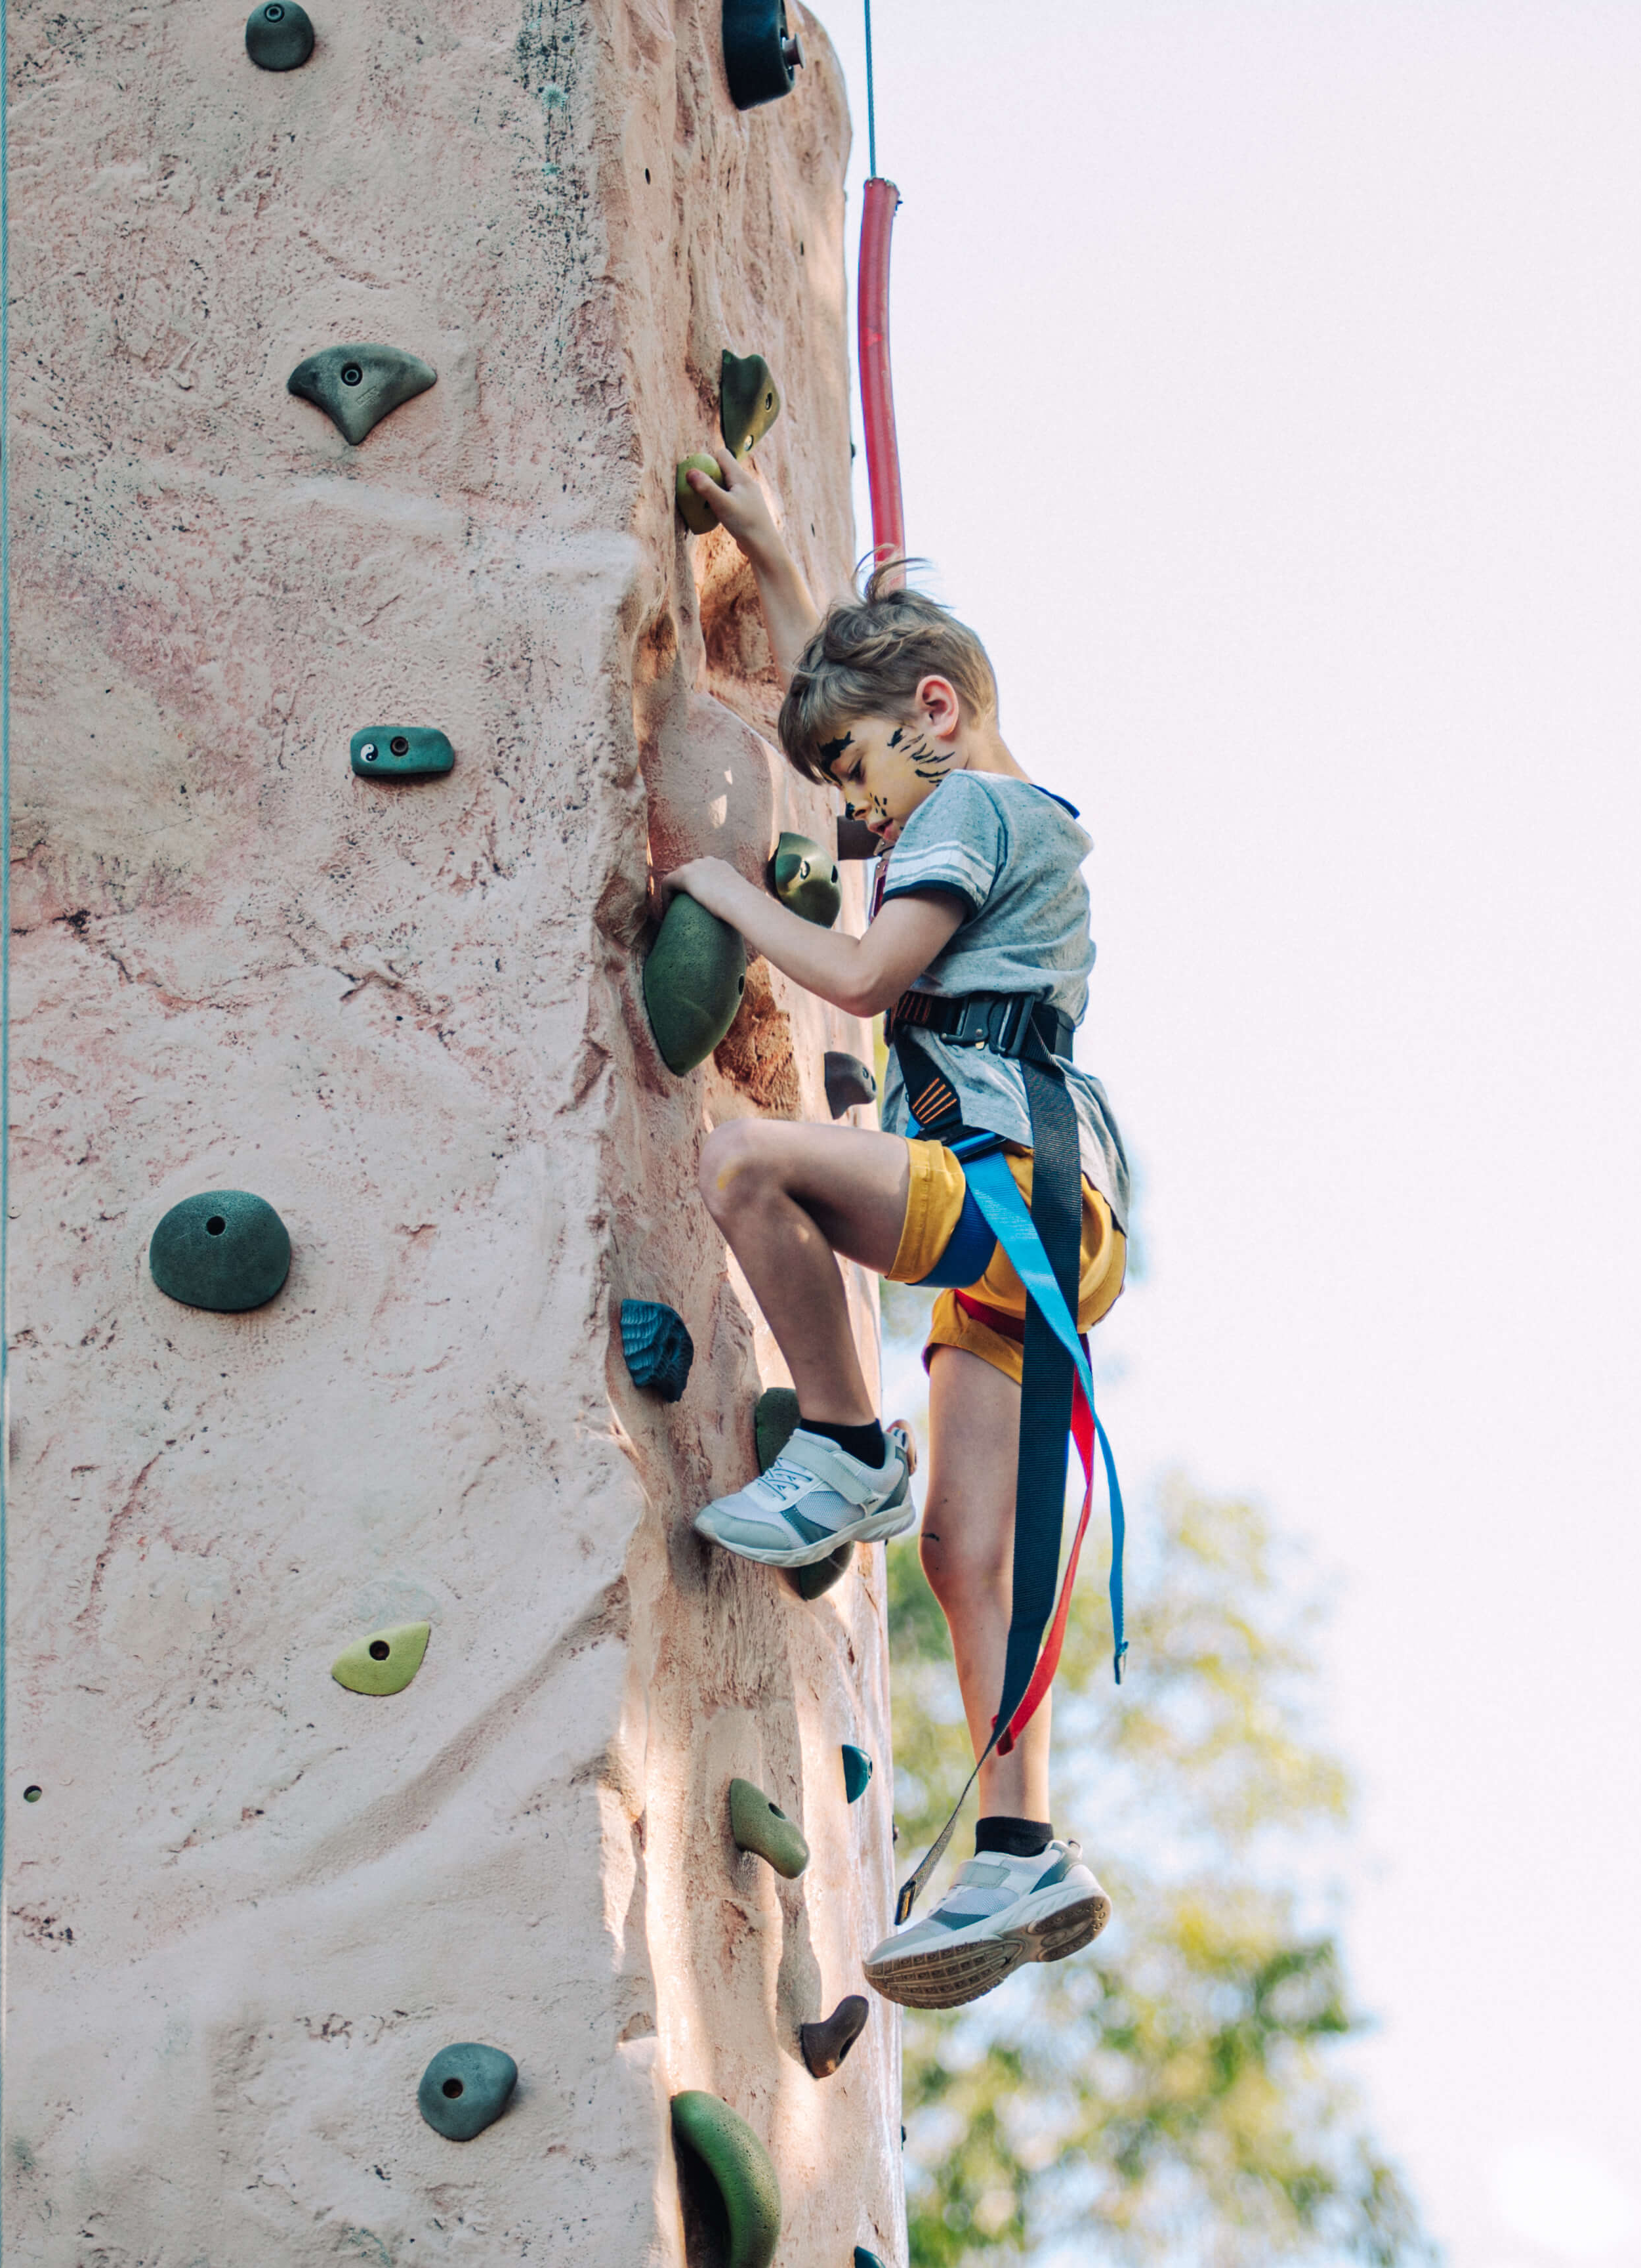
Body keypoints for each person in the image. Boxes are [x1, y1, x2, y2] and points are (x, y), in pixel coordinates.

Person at [661, 452, 1133, 2011]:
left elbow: (860, 981)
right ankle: (1021, 1843)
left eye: (858, 770)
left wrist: (723, 892)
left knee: (753, 1172)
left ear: (934, 714)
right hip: (1045, 1219)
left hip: (1011, 1182)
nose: (851, 807)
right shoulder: (987, 803)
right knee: (968, 1549)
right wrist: (780, 553)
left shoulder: (970, 814)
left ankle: (849, 1446)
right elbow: (845, 687)